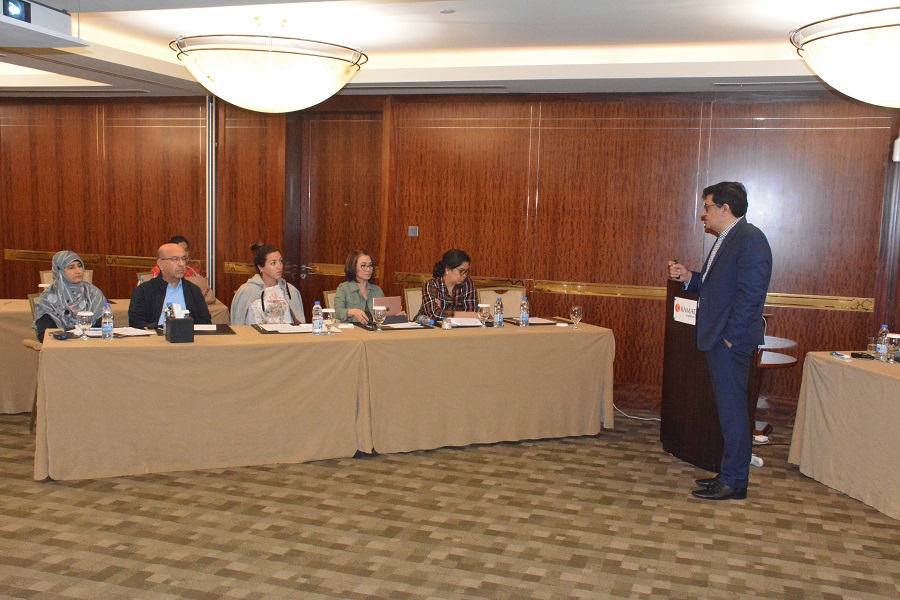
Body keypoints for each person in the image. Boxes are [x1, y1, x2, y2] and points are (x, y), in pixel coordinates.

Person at [667, 181, 772, 502]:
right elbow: (718, 286)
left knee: (734, 413)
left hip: (730, 343)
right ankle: (728, 475)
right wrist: (690, 278)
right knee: (728, 412)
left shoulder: (750, 239)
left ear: (725, 208)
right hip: (720, 339)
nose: (704, 214)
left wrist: (730, 339)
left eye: (707, 207)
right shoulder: (728, 238)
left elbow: (751, 296)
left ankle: (735, 482)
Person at [129, 243, 212, 329]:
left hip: (188, 336)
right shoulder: (144, 291)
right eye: (175, 259)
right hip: (155, 336)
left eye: (183, 259)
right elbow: (136, 323)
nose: (182, 264)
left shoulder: (194, 291)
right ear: (161, 264)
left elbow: (205, 323)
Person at [32, 251, 108, 342]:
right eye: (71, 267)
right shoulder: (48, 298)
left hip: (93, 345)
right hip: (60, 347)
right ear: (59, 271)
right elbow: (45, 336)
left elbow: (106, 327)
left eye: (79, 266)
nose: (78, 271)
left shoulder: (93, 293)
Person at [230, 242, 305, 325]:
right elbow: (237, 323)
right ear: (260, 267)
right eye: (273, 263)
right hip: (254, 333)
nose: (279, 266)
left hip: (287, 333)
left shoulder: (290, 290)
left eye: (280, 261)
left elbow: (300, 322)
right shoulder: (246, 290)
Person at [415, 249, 477, 321]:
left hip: (457, 327)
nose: (464, 275)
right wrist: (462, 315)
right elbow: (433, 314)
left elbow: (471, 313)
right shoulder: (431, 285)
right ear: (447, 269)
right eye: (461, 271)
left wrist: (442, 311)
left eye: (466, 271)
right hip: (428, 325)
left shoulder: (467, 283)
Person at [334, 250, 384, 324]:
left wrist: (395, 315)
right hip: (352, 329)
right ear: (353, 267)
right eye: (363, 265)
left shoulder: (377, 290)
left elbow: (383, 314)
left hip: (375, 329)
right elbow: (337, 312)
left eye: (370, 265)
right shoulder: (344, 288)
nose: (368, 269)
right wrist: (352, 312)